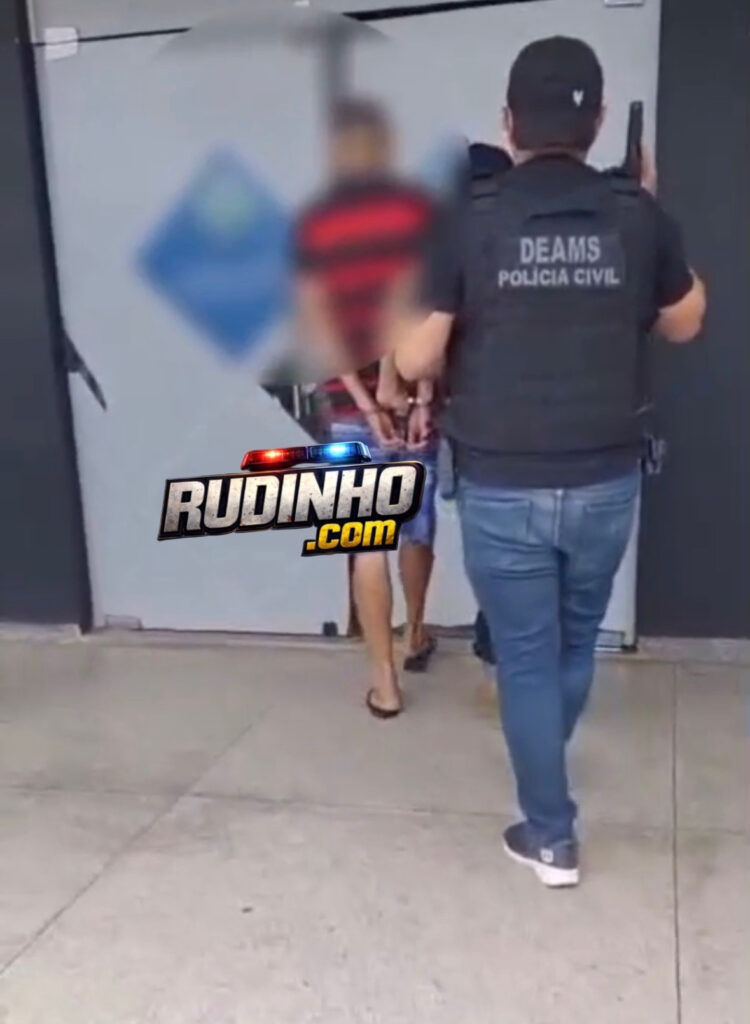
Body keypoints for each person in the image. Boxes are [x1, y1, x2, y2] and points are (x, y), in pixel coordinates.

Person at [393, 37, 706, 885]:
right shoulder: (635, 213)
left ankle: (551, 831)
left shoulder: (468, 218)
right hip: (605, 478)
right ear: (599, 121)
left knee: (528, 658)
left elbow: (415, 359)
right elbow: (686, 321)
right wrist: (648, 219)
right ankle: (545, 777)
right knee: (572, 644)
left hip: (502, 482)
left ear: (509, 123)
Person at [294, 97, 440, 719]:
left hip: (347, 407)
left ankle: (385, 683)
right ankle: (415, 633)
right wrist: (415, 396)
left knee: (365, 539)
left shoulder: (316, 230)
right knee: (416, 525)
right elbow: (426, 313)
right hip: (414, 402)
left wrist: (362, 402)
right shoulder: (416, 220)